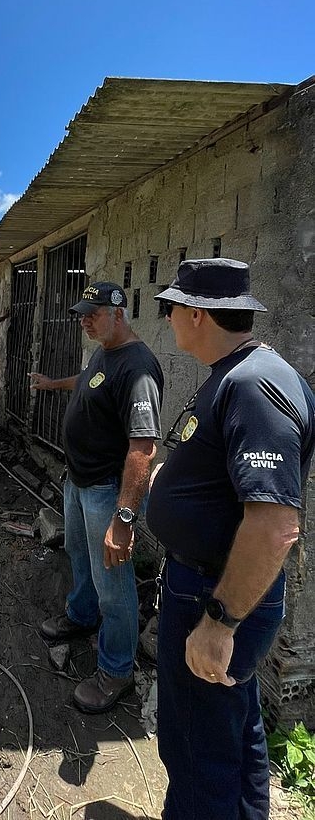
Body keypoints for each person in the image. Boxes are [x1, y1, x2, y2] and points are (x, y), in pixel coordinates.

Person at [147, 259, 314, 820]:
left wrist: (219, 623)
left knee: (197, 747)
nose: (166, 319)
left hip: (212, 595)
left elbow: (275, 524)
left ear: (197, 314)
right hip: (207, 586)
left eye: (171, 308)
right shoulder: (238, 374)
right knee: (231, 727)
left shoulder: (253, 385)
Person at [30, 281, 163, 713]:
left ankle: (116, 670)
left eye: (93, 313)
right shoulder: (104, 353)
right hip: (79, 481)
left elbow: (143, 448)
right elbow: (88, 383)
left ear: (118, 313)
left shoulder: (139, 368)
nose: (85, 321)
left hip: (107, 490)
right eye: (82, 314)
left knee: (113, 584)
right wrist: (53, 384)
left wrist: (124, 520)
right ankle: (81, 616)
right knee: (79, 554)